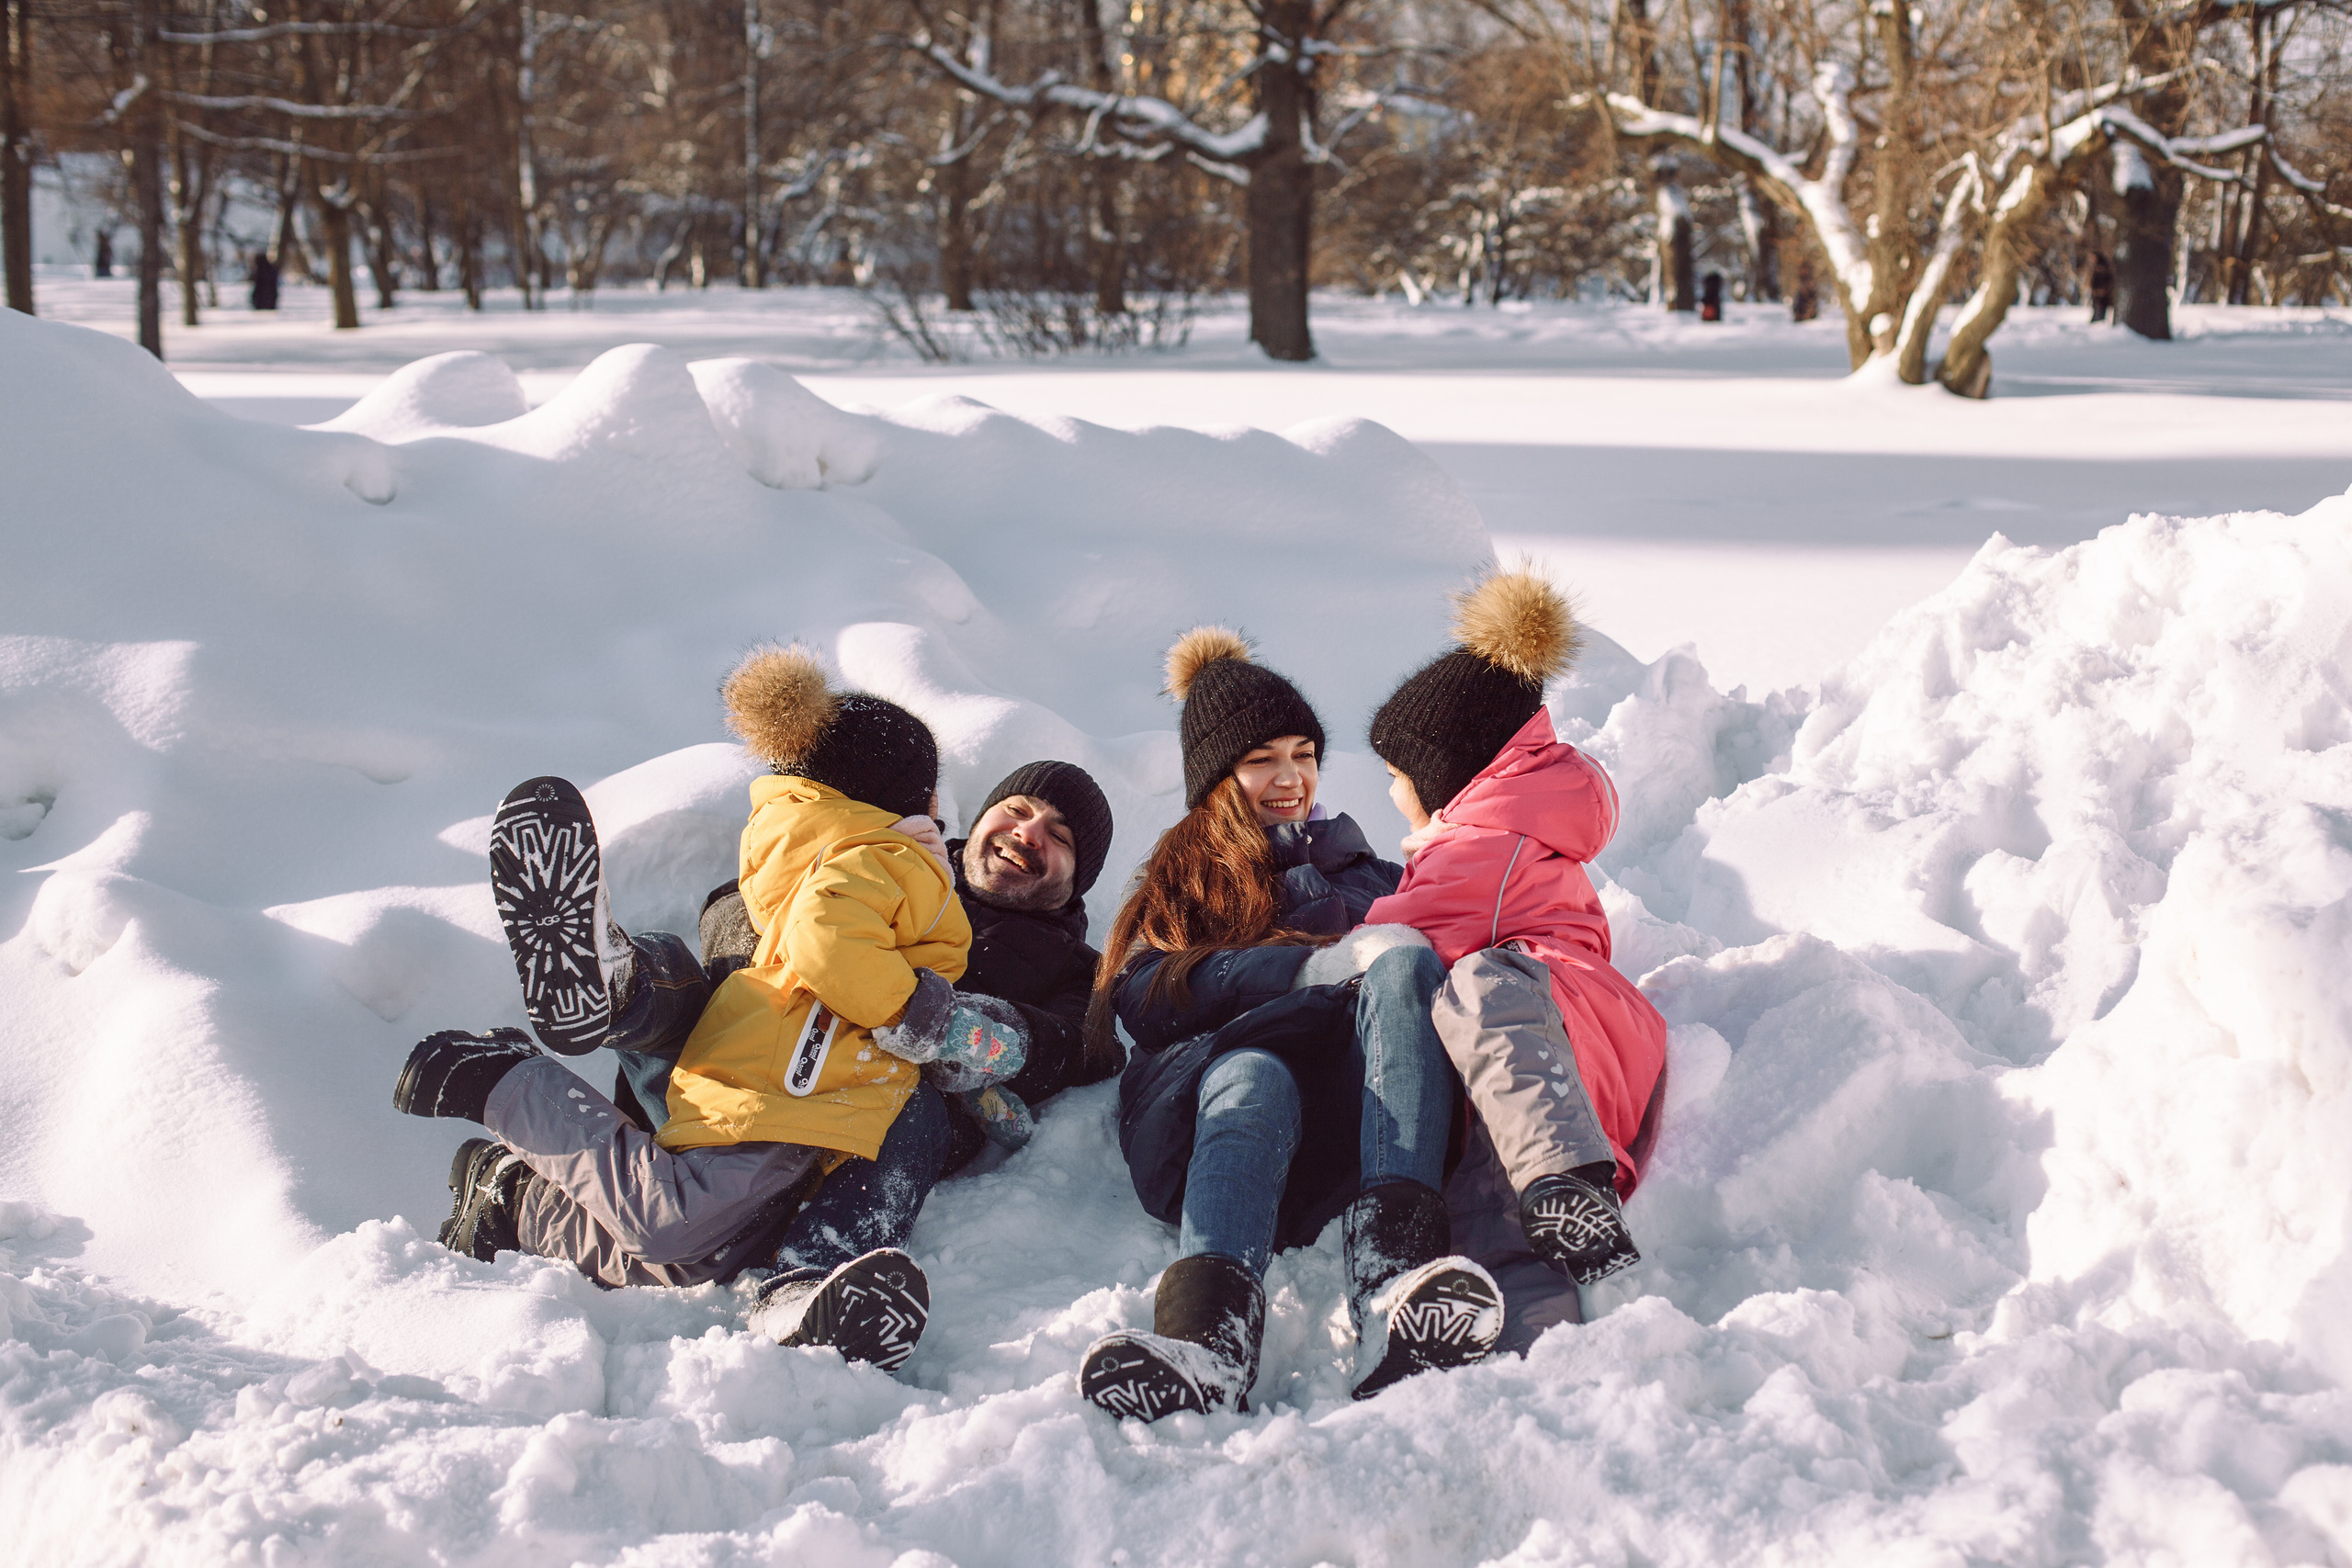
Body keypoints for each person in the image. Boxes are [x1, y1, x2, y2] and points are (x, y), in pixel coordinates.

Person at [391, 645, 1012, 1372]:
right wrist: (914, 1012)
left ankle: (514, 1197)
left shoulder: (813, 850)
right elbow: (826, 941)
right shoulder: (893, 857)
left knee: (694, 1257)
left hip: (799, 1082)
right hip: (797, 1085)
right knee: (673, 1226)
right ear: (915, 798)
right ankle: (506, 1077)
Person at [1078, 629, 1504, 1421]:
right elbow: (1146, 993)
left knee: (1404, 960)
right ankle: (1208, 1342)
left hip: (1363, 1115)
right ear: (1217, 777)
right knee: (1254, 1072)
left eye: (1305, 754)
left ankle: (1394, 1285)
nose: (1291, 776)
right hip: (1215, 1122)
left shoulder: (1378, 874)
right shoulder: (1186, 881)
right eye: (1262, 758)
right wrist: (1306, 970)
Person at [1363, 568, 1669, 1294]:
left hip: (1550, 1050)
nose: (1390, 790)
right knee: (1498, 1207)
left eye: (1397, 774)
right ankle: (1536, 1285)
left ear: (1442, 775)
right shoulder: (1522, 830)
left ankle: (1568, 1186)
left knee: (1476, 992)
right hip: (1580, 1044)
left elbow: (1382, 949)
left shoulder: (1478, 849)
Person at [695, 759, 1120, 1173]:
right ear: (982, 818)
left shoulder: (1078, 970)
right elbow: (737, 897)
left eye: (1059, 836)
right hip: (752, 1058)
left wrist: (964, 1032)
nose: (1026, 833)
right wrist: (798, 949)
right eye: (1017, 810)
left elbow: (1087, 1047)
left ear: (1078, 880)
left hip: (876, 1121)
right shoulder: (897, 853)